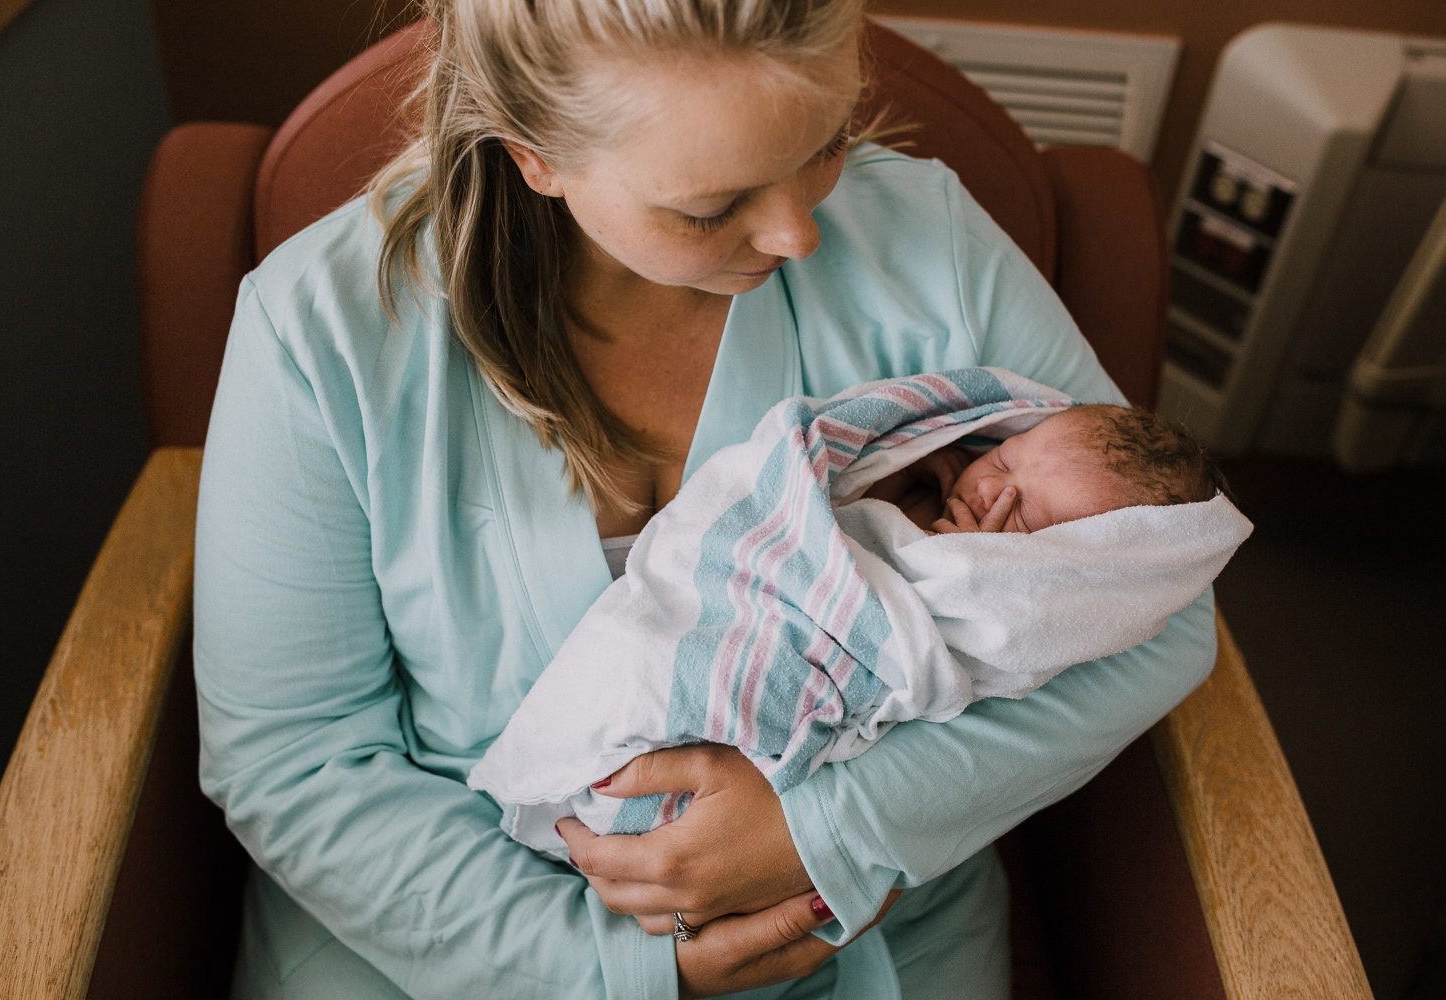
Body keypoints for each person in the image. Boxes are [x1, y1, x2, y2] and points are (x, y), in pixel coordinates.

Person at [192, 0, 1223, 996]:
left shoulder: (929, 245)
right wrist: (609, 970)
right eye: (709, 207)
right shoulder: (320, 332)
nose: (797, 236)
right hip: (453, 934)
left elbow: (1157, 607)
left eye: (822, 146)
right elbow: (299, 756)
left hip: (861, 916)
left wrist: (828, 831)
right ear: (534, 153)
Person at [469, 369, 1252, 861]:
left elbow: (963, 624)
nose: (993, 496)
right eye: (1006, 463)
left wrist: (969, 564)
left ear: (1073, 578)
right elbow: (773, 503)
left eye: (1032, 521)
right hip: (712, 606)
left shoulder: (1014, 597)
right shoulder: (918, 457)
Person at [868, 400, 1232, 535]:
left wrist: (965, 566)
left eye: (1023, 515)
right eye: (1004, 460)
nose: (989, 488)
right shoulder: (936, 473)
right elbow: (843, 501)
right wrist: (902, 467)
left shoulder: (1000, 585)